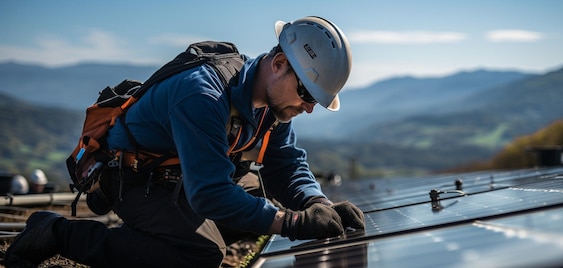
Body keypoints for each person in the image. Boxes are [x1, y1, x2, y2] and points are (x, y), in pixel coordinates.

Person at [4, 16, 364, 267]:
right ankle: (55, 232)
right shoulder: (203, 95)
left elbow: (285, 163)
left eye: (316, 101)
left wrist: (318, 203)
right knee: (199, 255)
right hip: (133, 177)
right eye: (307, 94)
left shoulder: (272, 106)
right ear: (280, 63)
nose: (309, 108)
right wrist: (294, 224)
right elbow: (209, 194)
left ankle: (160, 237)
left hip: (179, 181)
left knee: (259, 197)